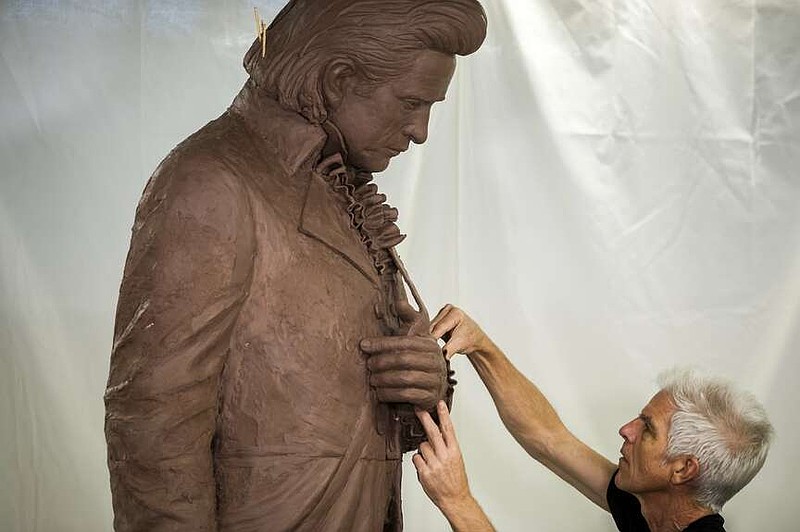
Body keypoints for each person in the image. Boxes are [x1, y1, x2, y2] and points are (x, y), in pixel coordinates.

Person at [104, 2, 485, 531]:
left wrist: (425, 386)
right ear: (338, 80)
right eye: (411, 103)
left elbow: (336, 394)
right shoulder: (211, 181)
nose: (419, 131)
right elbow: (152, 425)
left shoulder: (344, 192)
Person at [402, 305, 773, 532]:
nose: (625, 429)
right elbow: (548, 437)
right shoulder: (648, 507)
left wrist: (457, 501)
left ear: (682, 470)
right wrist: (481, 346)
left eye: (647, 430)